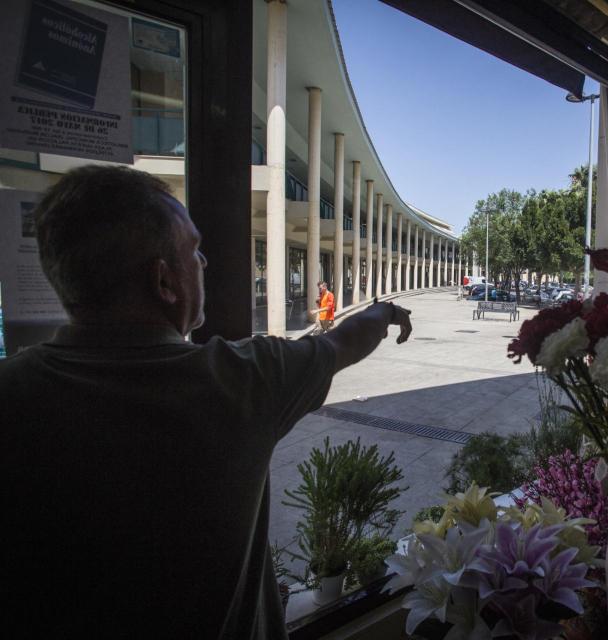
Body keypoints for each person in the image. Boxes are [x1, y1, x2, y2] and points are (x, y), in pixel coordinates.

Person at [0, 165, 412, 639]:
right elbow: (345, 341)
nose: (205, 262)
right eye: (193, 250)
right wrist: (387, 310)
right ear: (164, 281)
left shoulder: (12, 393)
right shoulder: (243, 379)